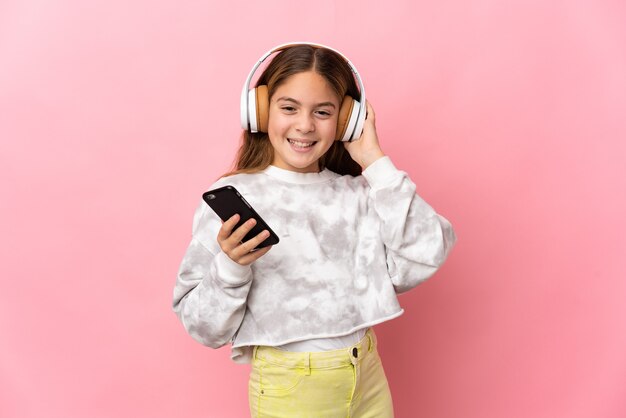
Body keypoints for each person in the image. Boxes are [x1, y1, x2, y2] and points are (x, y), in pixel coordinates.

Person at [172, 42, 456, 417]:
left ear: (346, 121)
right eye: (288, 108)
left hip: (367, 372)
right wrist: (230, 267)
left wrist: (374, 161)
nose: (305, 125)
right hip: (291, 386)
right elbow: (203, 326)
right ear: (259, 111)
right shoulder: (237, 198)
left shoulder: (360, 193)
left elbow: (427, 252)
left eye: (323, 112)